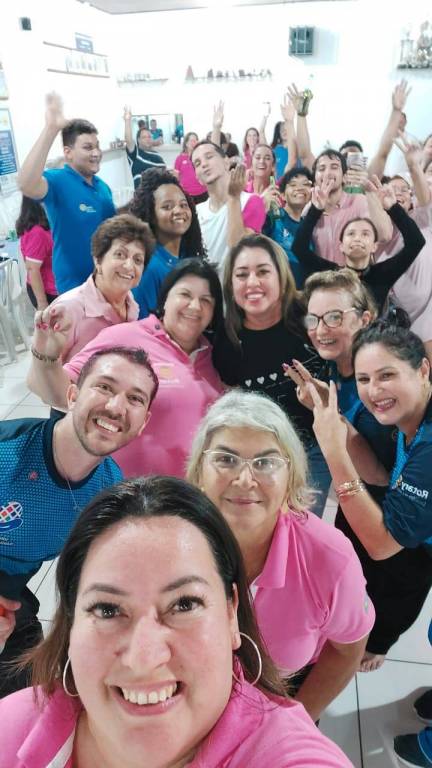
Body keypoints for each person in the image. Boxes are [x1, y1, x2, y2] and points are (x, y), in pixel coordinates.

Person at [0, 476, 354, 767]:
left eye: (184, 604)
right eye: (107, 610)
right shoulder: (13, 725)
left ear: (231, 613)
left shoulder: (287, 755)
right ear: (71, 624)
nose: (144, 658)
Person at [187, 391, 375, 723]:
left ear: (291, 479)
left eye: (265, 463)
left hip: (277, 696)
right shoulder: (170, 542)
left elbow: (347, 649)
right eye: (226, 459)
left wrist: (296, 721)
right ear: (200, 473)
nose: (245, 480)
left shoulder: (329, 558)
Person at [0, 346, 158, 697]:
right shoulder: (6, 450)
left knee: (28, 688)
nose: (116, 407)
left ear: (143, 423)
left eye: (134, 398)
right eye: (104, 387)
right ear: (71, 395)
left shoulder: (109, 495)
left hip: (12, 598)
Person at [286, 270, 421, 672]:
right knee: (354, 562)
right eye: (314, 319)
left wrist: (332, 428)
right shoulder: (339, 366)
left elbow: (379, 475)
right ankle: (353, 622)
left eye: (334, 317)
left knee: (397, 579)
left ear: (365, 319)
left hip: (407, 514)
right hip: (366, 490)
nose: (321, 329)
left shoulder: (380, 371)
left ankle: (378, 642)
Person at [307, 317, 432, 672]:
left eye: (387, 375)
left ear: (423, 370)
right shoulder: (410, 415)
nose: (374, 390)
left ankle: (377, 643)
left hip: (419, 549)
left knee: (402, 586)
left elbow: (383, 545)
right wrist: (331, 415)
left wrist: (334, 452)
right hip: (413, 530)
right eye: (364, 379)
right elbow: (378, 474)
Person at [27, 259, 225, 479]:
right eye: (185, 294)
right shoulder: (127, 336)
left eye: (206, 300)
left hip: (188, 491)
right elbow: (58, 394)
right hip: (126, 490)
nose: (195, 306)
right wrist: (46, 357)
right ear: (165, 299)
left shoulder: (213, 355)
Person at [212, 233, 331, 518]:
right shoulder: (228, 341)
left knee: (301, 525)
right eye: (242, 274)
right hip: (264, 455)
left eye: (263, 271)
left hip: (316, 449)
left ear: (281, 276)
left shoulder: (309, 316)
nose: (252, 282)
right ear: (231, 284)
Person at [18, 92, 116, 294]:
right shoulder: (58, 180)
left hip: (106, 283)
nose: (96, 153)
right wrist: (50, 130)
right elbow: (26, 184)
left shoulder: (103, 187)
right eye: (88, 147)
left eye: (97, 146)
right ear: (68, 152)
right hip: (75, 289)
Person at [291, 175, 425, 313]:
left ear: (374, 246)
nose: (357, 238)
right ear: (341, 246)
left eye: (365, 234)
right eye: (351, 234)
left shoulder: (383, 274)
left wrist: (393, 207)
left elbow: (416, 242)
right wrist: (315, 209)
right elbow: (299, 248)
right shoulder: (330, 274)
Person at [39, 214, 153, 362]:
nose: (129, 266)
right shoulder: (69, 309)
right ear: (98, 260)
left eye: (138, 260)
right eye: (120, 254)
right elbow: (41, 373)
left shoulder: (131, 304)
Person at [129, 168, 206, 318]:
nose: (178, 211)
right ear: (151, 215)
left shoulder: (188, 255)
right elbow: (141, 325)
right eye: (167, 207)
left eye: (183, 205)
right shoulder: (148, 268)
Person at [191, 140, 266, 274]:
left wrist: (233, 198)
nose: (204, 164)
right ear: (198, 178)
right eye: (197, 163)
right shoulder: (196, 211)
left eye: (209, 157)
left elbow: (238, 246)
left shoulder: (251, 201)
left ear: (226, 162)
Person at [308, 149, 393, 264]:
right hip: (321, 275)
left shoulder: (360, 201)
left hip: (356, 275)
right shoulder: (309, 210)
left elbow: (385, 236)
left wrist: (370, 194)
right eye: (322, 169)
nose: (328, 173)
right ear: (315, 179)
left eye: (334, 167)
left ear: (344, 177)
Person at [263, 166, 313, 288]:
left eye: (305, 184)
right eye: (293, 185)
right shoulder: (274, 217)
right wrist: (262, 207)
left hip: (306, 294)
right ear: (283, 195)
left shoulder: (314, 224)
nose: (300, 188)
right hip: (280, 292)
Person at [15, 196, 57, 309]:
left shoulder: (45, 225)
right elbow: (32, 269)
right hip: (48, 291)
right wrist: (42, 303)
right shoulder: (37, 233)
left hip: (54, 285)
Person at [123, 106, 165, 189]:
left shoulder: (158, 156)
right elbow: (128, 139)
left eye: (149, 137)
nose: (148, 139)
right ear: (138, 140)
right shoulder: (136, 154)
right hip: (143, 195)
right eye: (144, 137)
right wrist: (127, 120)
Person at [173, 131, 208, 203]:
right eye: (192, 141)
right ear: (186, 143)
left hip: (203, 193)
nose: (194, 143)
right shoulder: (180, 158)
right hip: (187, 194)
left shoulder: (201, 156)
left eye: (196, 140)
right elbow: (175, 177)